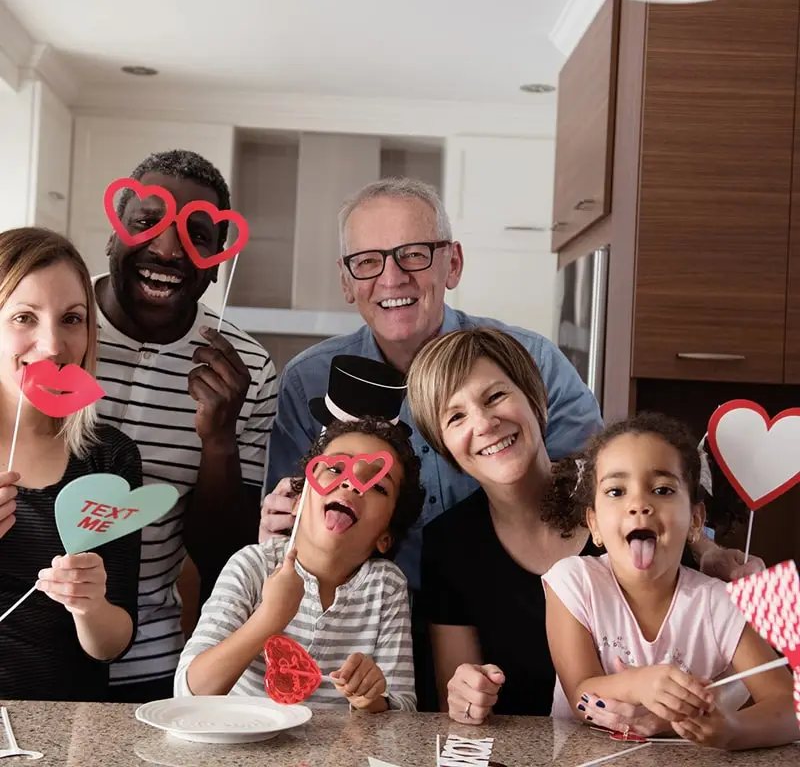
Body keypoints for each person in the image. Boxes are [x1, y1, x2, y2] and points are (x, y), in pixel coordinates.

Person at [405, 328, 764, 724]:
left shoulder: (621, 498)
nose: (484, 423)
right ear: (443, 444)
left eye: (495, 397)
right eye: (456, 416)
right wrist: (465, 696)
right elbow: (455, 701)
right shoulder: (449, 544)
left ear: (534, 398)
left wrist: (710, 552)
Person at [261, 177, 604, 592]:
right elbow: (294, 532)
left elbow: (598, 493)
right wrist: (280, 526)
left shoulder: (532, 362)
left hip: (514, 613)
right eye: (368, 261)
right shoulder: (308, 382)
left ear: (453, 264)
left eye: (413, 254)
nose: (392, 278)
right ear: (346, 281)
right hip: (365, 624)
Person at [93, 150, 278, 702]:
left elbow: (224, 552)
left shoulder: (251, 371)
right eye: (148, 222)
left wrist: (218, 440)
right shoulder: (51, 326)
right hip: (20, 644)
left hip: (149, 662)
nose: (169, 248)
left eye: (197, 234)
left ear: (218, 258)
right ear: (114, 232)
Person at [542, 412, 798, 750]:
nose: (639, 504)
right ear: (595, 525)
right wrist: (640, 684)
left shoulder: (720, 603)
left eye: (662, 489)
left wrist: (732, 728)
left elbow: (789, 707)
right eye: (616, 491)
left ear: (695, 520)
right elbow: (580, 692)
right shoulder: (574, 582)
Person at [175, 417, 424, 712]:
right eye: (334, 468)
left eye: (378, 486)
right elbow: (189, 692)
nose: (350, 483)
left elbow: (404, 711)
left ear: (386, 536)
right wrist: (269, 619)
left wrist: (371, 699)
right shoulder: (252, 566)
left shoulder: (387, 586)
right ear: (298, 500)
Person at [0, 227, 142, 701]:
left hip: (70, 725)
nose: (53, 345)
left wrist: (90, 605)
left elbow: (112, 645)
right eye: (24, 317)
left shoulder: (109, 457)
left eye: (71, 319)